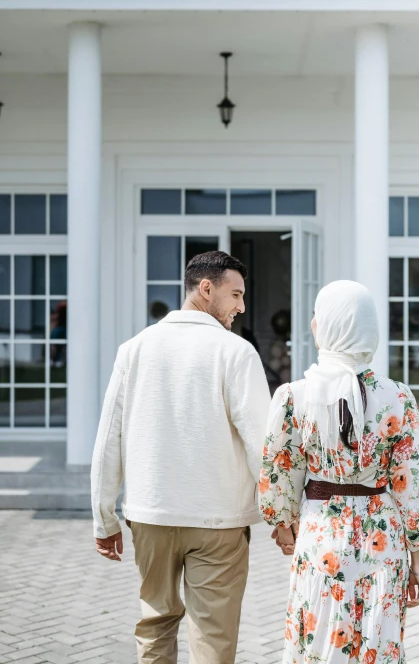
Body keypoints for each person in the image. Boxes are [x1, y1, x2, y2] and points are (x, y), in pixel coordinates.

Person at [91, 250, 271, 664]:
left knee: (154, 623)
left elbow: (108, 441)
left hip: (151, 516)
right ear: (206, 289)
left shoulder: (133, 349)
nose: (241, 307)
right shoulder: (236, 352)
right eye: (236, 295)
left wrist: (104, 518)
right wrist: (281, 515)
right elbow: (263, 445)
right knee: (213, 635)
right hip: (219, 523)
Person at [259, 280, 419, 663]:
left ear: (321, 327)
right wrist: (418, 564)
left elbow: (279, 471)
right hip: (382, 543)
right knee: (376, 644)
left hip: (321, 537)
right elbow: (410, 486)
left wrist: (283, 523)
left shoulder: (294, 396)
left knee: (319, 641)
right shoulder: (398, 397)